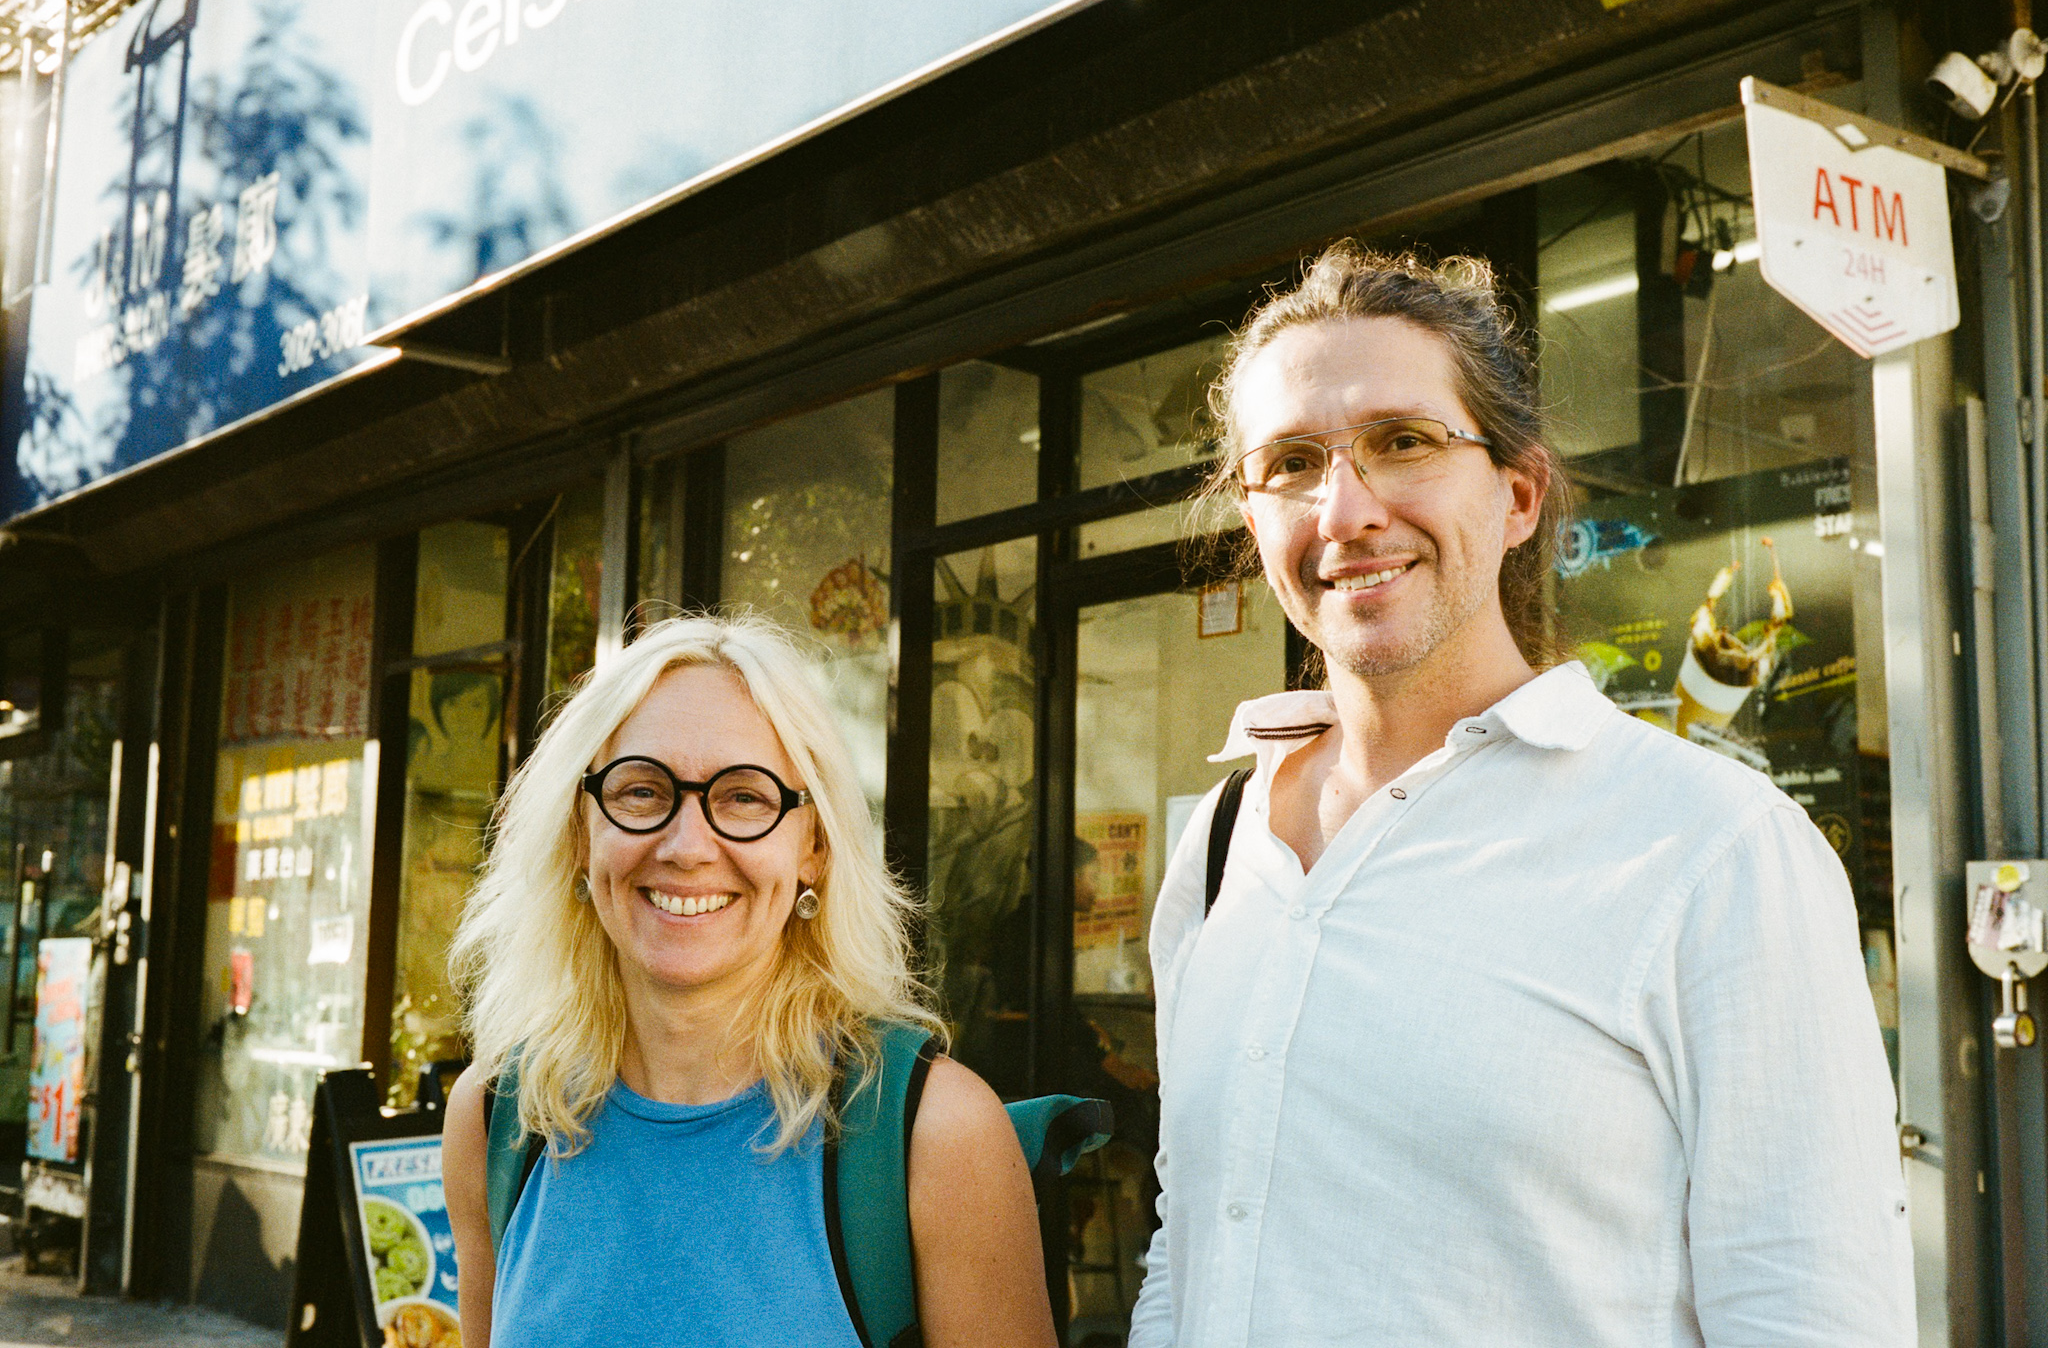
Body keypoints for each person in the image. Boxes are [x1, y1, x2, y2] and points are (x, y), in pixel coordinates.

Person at [1126, 243, 1912, 1347]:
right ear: (1252, 521)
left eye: (1402, 442)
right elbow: (1191, 1239)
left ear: (1518, 494)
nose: (1344, 509)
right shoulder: (1221, 845)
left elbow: (1810, 1317)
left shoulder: (1713, 847)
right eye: (1291, 463)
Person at [442, 614, 1056, 1348]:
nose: (687, 847)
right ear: (581, 832)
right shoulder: (497, 1118)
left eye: (744, 797)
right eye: (640, 791)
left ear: (814, 847)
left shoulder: (937, 1132)